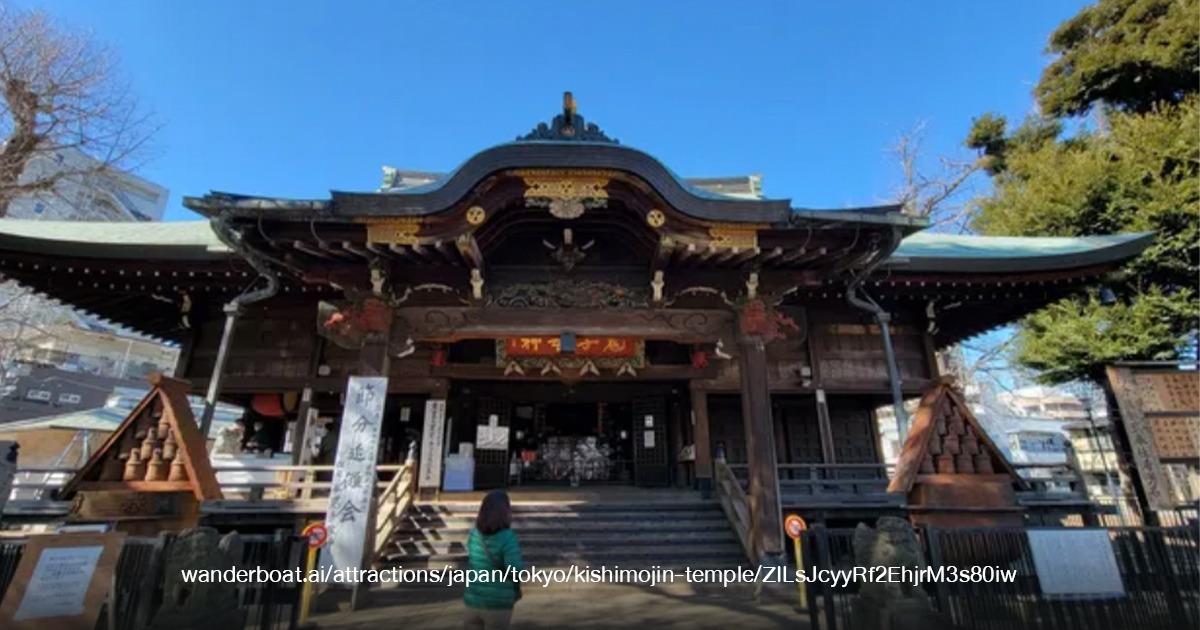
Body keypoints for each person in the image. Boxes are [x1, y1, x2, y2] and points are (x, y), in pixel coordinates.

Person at [463, 490, 523, 629]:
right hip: (498, 601)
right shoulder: (507, 537)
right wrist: (517, 587)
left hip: (473, 597)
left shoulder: (474, 535)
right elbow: (514, 569)